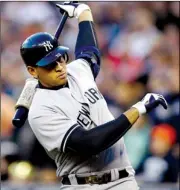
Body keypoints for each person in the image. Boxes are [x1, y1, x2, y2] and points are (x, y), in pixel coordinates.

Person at [20, 3, 168, 190]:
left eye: (61, 57)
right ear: (32, 71)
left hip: (124, 181)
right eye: (49, 64)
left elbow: (89, 53)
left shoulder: (76, 70)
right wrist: (137, 109)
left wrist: (83, 13)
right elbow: (90, 142)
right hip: (82, 185)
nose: (59, 66)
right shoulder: (40, 111)